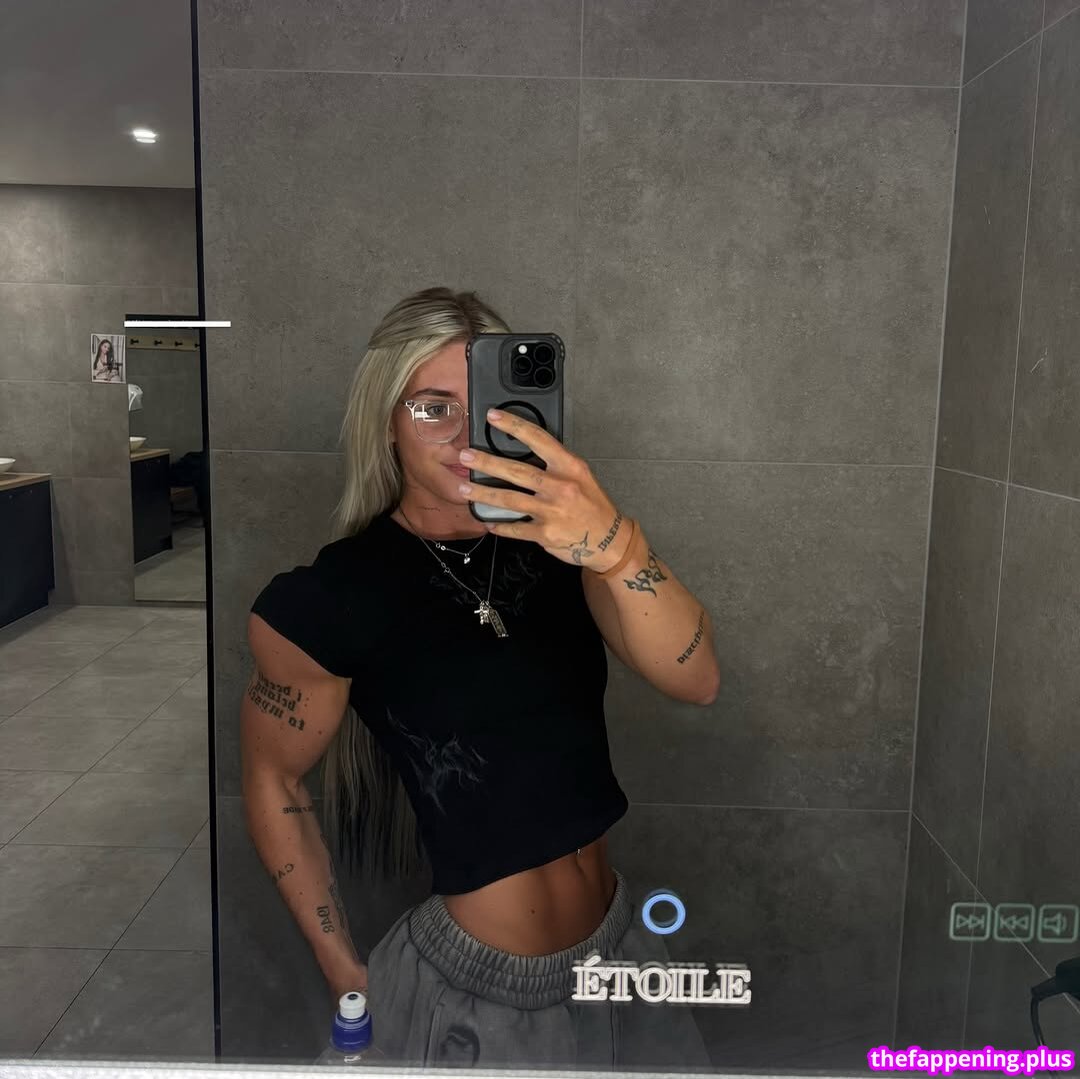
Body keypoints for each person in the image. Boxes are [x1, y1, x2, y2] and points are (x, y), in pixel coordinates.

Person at [240, 286, 722, 1069]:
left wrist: (616, 545)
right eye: (434, 408)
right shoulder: (333, 595)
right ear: (386, 421)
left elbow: (697, 678)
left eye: (487, 408)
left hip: (624, 951)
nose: (466, 437)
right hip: (475, 993)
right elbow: (273, 778)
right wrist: (344, 972)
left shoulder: (568, 543)